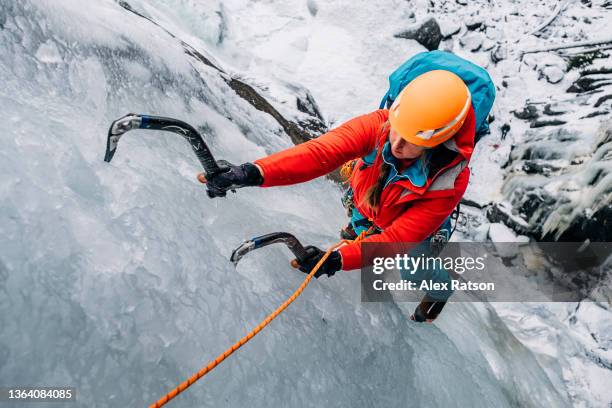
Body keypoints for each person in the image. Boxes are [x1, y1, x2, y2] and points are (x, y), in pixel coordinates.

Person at [198, 70, 475, 323]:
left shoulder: (448, 181)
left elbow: (395, 241)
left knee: (413, 270)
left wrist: (337, 260)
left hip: (412, 223)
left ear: (438, 142)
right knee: (355, 230)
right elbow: (320, 154)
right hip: (368, 200)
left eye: (412, 141)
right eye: (397, 129)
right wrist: (252, 173)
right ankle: (359, 233)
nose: (397, 144)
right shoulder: (379, 125)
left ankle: (442, 287)